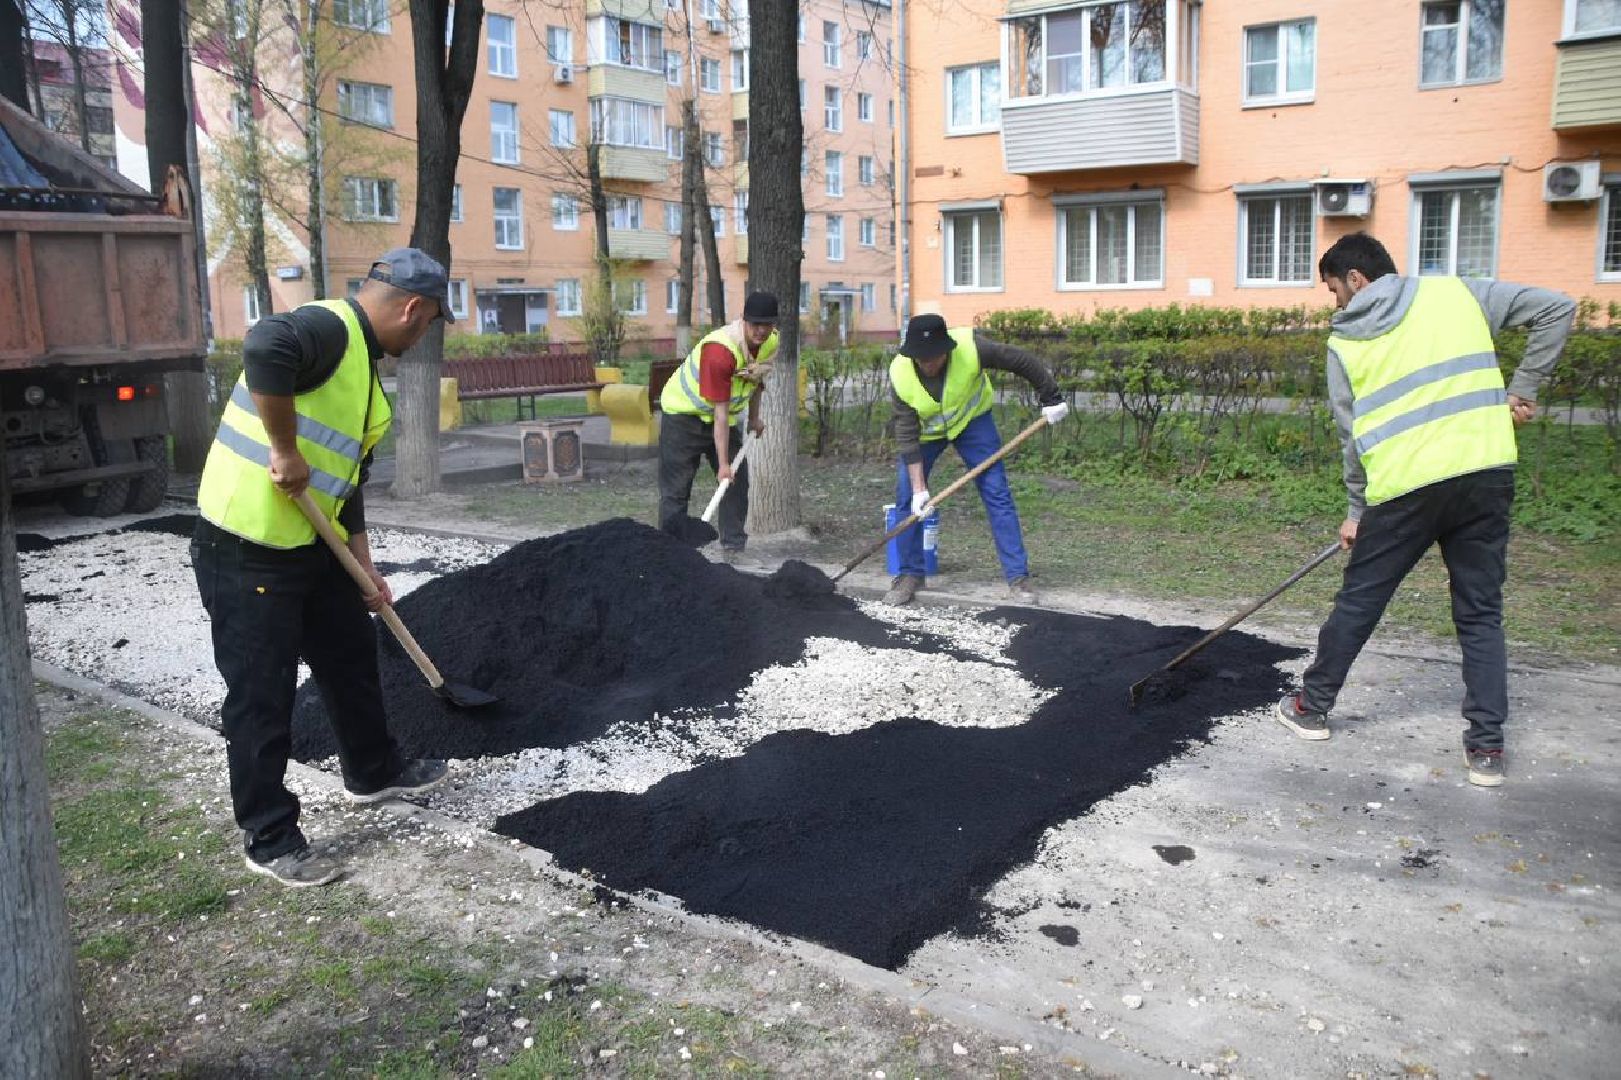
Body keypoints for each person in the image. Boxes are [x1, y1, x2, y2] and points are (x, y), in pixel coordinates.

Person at [191, 247, 456, 886]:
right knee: (262, 694)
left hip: (312, 545)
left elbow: (345, 481)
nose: (421, 338)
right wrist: (283, 449)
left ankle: (372, 771)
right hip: (247, 545)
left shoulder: (362, 369)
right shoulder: (328, 328)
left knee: (349, 658)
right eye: (426, 326)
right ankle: (270, 837)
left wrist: (364, 569)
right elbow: (262, 346)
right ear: (412, 309)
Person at [1276, 232, 1573, 788]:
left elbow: (1351, 436)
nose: (1335, 302)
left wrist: (1356, 510)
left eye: (1333, 289)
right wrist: (1523, 389)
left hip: (1404, 489)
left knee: (1361, 600)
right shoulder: (1457, 294)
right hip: (1484, 473)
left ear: (1356, 279)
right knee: (1481, 612)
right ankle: (1486, 748)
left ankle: (1310, 708)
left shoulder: (1344, 343)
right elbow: (1558, 307)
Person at [883, 313, 1071, 606]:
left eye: (934, 357)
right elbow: (906, 435)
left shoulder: (971, 348)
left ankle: (1018, 578)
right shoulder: (901, 374)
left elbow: (1021, 360)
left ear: (946, 349)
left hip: (973, 424)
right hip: (927, 434)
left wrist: (1051, 398)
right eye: (921, 358)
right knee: (907, 496)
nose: (928, 363)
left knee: (997, 492)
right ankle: (909, 574)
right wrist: (920, 489)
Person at [657, 290, 779, 555]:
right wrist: (723, 465)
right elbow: (720, 414)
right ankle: (668, 552)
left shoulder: (770, 343)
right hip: (683, 416)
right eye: (755, 324)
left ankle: (733, 548)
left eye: (766, 324)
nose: (761, 331)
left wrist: (755, 418)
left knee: (737, 481)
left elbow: (756, 380)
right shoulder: (720, 352)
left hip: (720, 420)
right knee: (676, 488)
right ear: (743, 320)